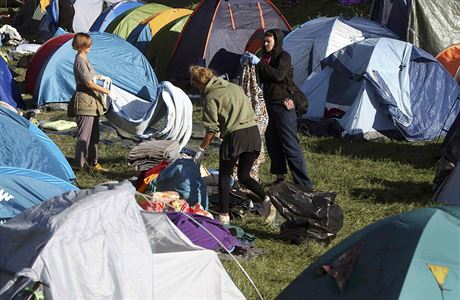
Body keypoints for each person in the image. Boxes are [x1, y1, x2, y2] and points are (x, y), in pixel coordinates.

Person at [190, 65, 275, 225]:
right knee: (244, 176)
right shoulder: (235, 87)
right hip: (253, 133)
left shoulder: (210, 96)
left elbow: (211, 129)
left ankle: (223, 216)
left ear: (200, 83)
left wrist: (201, 150)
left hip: (235, 137)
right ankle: (266, 200)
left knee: (224, 176)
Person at [243, 29, 314, 191]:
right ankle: (279, 177)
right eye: (265, 41)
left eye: (269, 41)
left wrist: (259, 63)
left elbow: (279, 76)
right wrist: (249, 65)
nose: (266, 44)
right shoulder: (265, 57)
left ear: (277, 42)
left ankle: (304, 183)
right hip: (268, 105)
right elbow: (260, 79)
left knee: (289, 143)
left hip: (283, 104)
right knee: (272, 142)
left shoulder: (284, 57)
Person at [69, 33, 110, 172]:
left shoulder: (84, 59)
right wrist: (106, 91)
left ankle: (94, 162)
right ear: (82, 45)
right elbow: (88, 83)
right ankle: (78, 166)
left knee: (94, 135)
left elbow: (90, 76)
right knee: (84, 136)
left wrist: (99, 77)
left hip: (92, 102)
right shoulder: (80, 60)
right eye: (89, 43)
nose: (91, 46)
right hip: (85, 102)